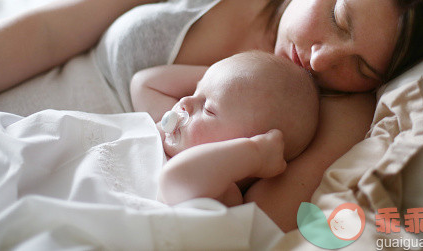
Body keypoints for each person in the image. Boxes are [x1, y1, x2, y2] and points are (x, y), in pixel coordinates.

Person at [0, 0, 423, 231]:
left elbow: (251, 225)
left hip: (55, 189)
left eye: (362, 66)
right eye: (337, 17)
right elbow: (54, 28)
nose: (322, 58)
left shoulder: (339, 112)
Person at [130, 51, 319, 206]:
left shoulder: (221, 192)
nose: (185, 101)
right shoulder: (168, 132)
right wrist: (214, 79)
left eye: (208, 109)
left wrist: (255, 155)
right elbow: (143, 83)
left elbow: (174, 179)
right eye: (194, 92)